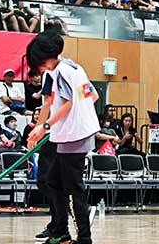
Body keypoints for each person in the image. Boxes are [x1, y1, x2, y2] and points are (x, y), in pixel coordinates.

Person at [26, 31, 100, 244]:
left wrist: (45, 126)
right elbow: (92, 97)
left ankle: (84, 238)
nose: (40, 69)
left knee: (72, 189)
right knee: (53, 181)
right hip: (74, 133)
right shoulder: (75, 68)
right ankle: (60, 231)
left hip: (73, 136)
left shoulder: (60, 72)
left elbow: (67, 104)